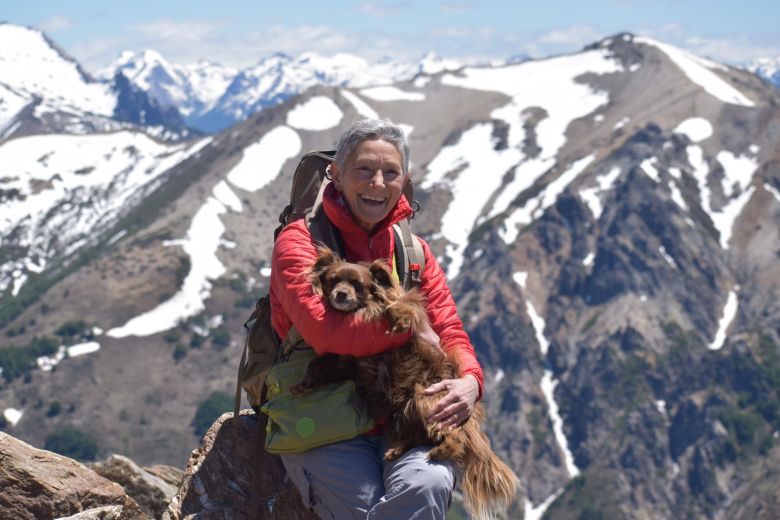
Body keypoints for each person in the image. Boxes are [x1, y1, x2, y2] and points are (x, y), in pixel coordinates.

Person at [269, 118, 484, 519]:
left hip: (402, 417)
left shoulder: (413, 252)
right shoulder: (299, 243)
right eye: (364, 170)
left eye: (391, 172)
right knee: (366, 508)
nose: (378, 184)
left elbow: (450, 330)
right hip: (323, 416)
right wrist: (412, 330)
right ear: (335, 174)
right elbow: (326, 332)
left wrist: (471, 382)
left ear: (405, 179)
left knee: (430, 483)